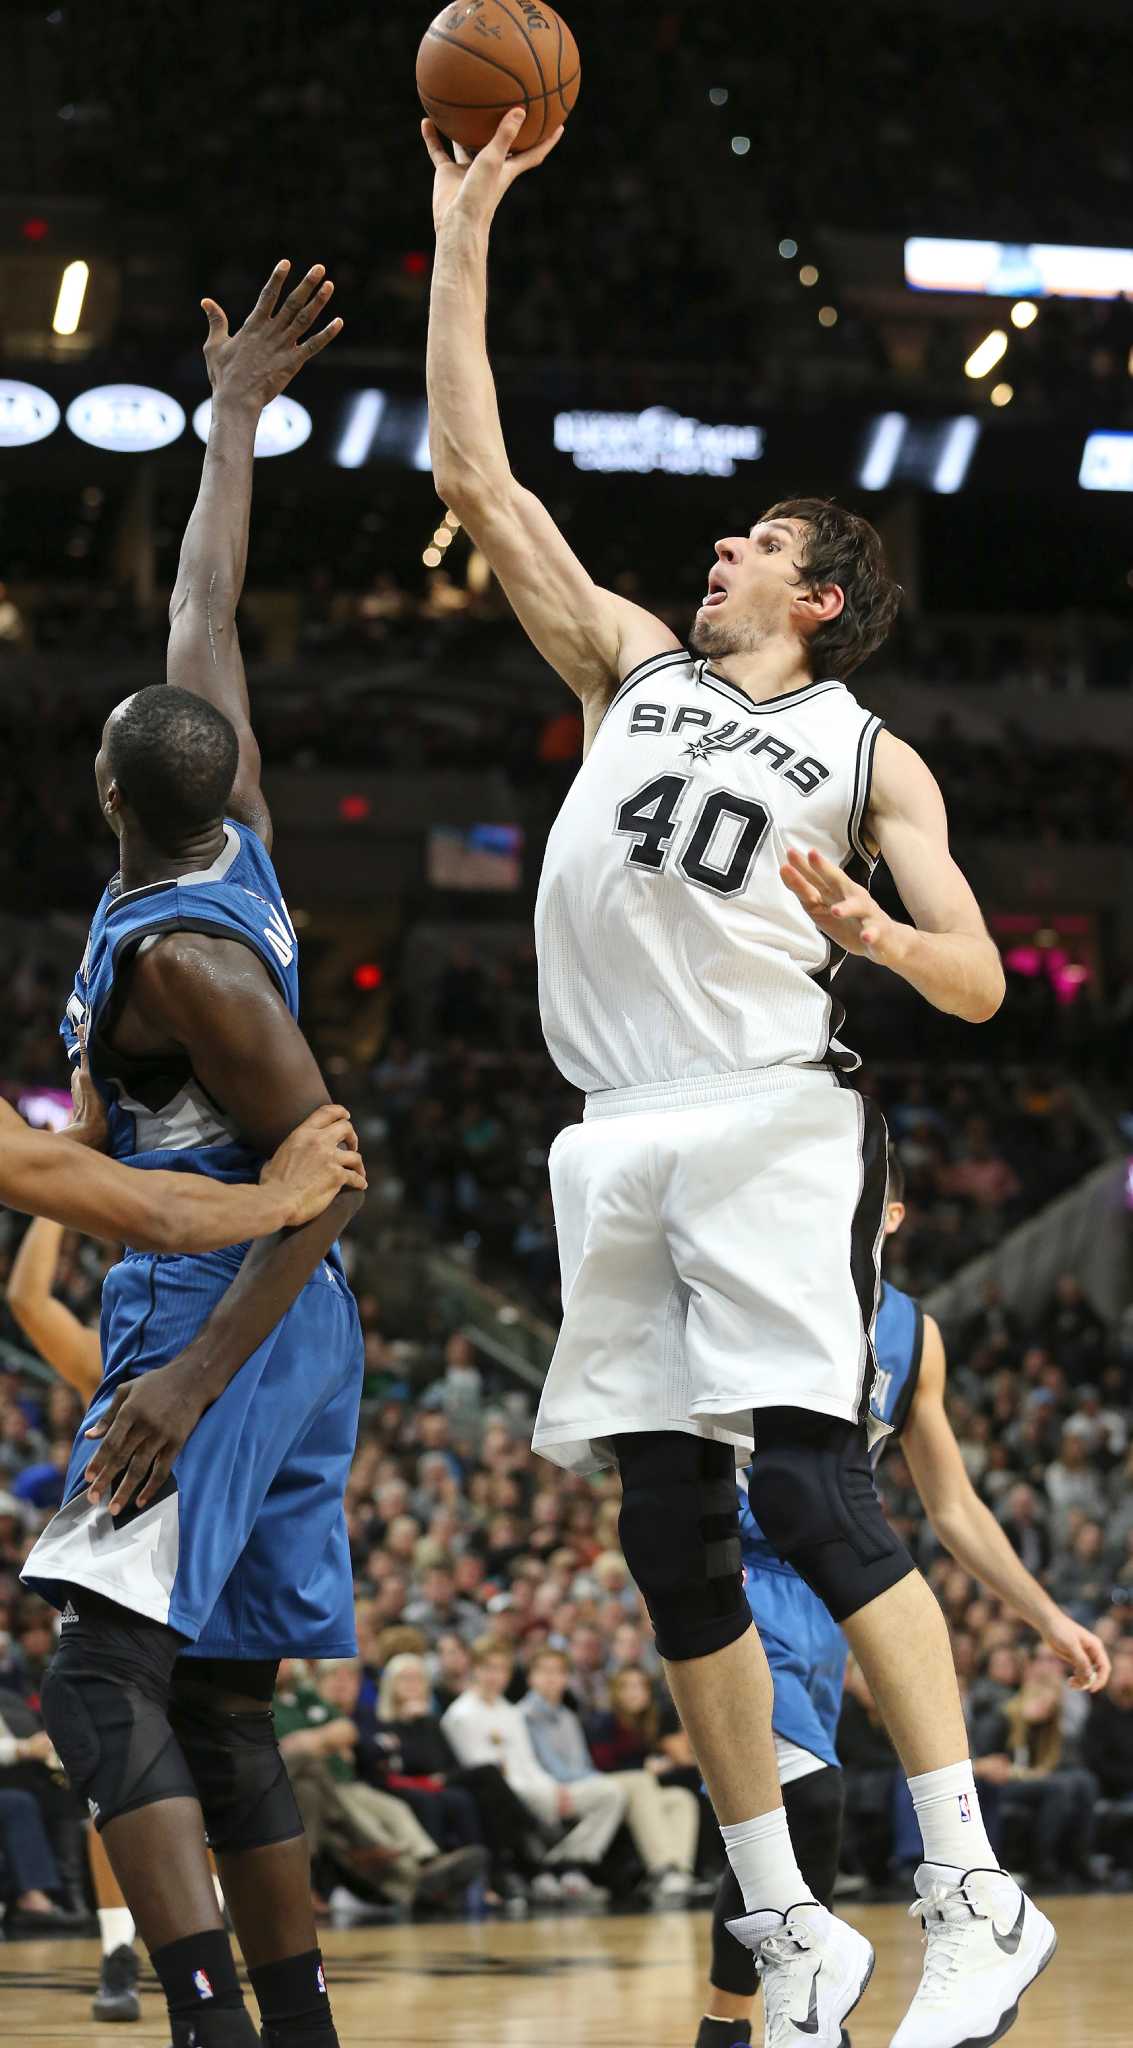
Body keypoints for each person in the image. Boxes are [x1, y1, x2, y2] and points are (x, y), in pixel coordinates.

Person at [422, 111, 1100, 2047]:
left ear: (817, 597)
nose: (713, 546)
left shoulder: (870, 755)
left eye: (755, 541)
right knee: (658, 1519)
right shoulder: (623, 666)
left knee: (808, 1477)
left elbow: (971, 979)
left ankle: (972, 1889)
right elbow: (472, 470)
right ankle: (786, 1916)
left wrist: (878, 938)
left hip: (765, 1108)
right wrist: (460, 219)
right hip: (607, 1130)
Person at [20, 263, 368, 2048]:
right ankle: (290, 2029)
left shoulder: (184, 952)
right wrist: (230, 416)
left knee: (94, 1672)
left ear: (104, 793)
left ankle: (211, 2025)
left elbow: (324, 1162)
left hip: (228, 1301)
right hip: (272, 1316)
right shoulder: (222, 828)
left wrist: (189, 1378)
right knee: (222, 1700)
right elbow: (201, 596)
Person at [694, 1154, 1108, 2048]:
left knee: (808, 1812)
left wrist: (1046, 1617)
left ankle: (758, 2021)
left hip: (840, 1591)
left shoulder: (911, 1333)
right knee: (802, 1802)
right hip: (736, 1572)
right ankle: (739, 2026)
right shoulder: (748, 1290)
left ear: (890, 1217)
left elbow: (951, 1505)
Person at [441, 1637, 623, 1901]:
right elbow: (483, 1771)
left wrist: (553, 1788)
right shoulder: (462, 1714)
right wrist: (544, 1793)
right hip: (499, 1793)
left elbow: (528, 1762)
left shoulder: (509, 1712)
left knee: (610, 1793)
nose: (495, 1676)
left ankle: (567, 1862)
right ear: (475, 1669)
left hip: (536, 1788)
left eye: (502, 1669)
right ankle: (554, 1869)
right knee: (536, 1800)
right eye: (488, 1668)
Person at [520, 1646, 704, 1903]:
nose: (552, 1678)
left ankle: (678, 1874)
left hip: (587, 1780)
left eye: (558, 1672)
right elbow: (552, 1769)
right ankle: (662, 1868)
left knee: (680, 1798)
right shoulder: (524, 1715)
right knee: (640, 1780)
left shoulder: (567, 1716)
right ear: (531, 1677)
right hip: (558, 1787)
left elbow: (582, 1763)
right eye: (545, 1671)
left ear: (566, 1678)